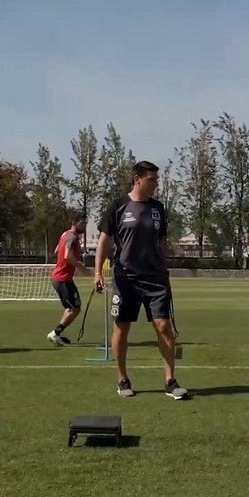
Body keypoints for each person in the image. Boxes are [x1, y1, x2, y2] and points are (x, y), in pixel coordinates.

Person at [94, 160, 189, 400]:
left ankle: (170, 381)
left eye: (157, 179)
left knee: (164, 326)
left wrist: (165, 270)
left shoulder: (158, 207)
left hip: (155, 278)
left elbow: (161, 243)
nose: (156, 183)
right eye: (152, 179)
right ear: (138, 179)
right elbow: (104, 242)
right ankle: (122, 380)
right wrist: (98, 272)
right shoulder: (118, 206)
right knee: (122, 327)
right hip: (125, 278)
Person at [47, 214, 90, 345]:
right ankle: (55, 333)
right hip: (62, 278)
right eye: (82, 223)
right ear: (74, 223)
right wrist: (83, 269)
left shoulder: (65, 235)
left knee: (72, 308)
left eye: (85, 223)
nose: (84, 226)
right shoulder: (72, 237)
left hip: (63, 278)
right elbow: (68, 256)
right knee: (74, 309)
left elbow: (57, 251)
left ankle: (57, 334)